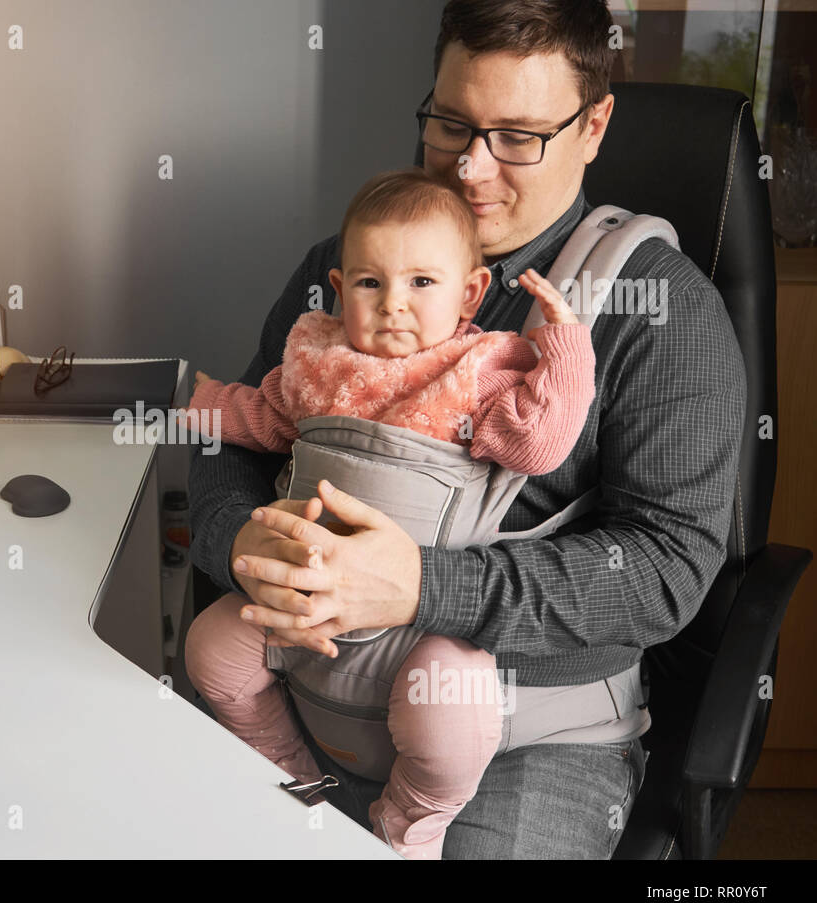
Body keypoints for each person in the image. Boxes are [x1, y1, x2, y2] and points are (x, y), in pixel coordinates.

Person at [186, 0, 746, 859]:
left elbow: (665, 571)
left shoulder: (661, 313)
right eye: (450, 124)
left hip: (524, 736)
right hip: (299, 688)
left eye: (518, 136)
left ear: (594, 125)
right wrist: (242, 546)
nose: (470, 170)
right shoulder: (351, 268)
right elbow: (240, 436)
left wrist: (422, 588)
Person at [184, 168, 597, 859]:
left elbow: (540, 443)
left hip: (423, 623)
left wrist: (565, 348)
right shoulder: (316, 363)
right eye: (370, 284)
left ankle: (410, 823)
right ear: (341, 289)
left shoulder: (477, 372)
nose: (393, 305)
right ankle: (294, 777)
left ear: (469, 294)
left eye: (422, 284)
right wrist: (198, 403)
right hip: (303, 610)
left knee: (455, 712)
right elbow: (261, 416)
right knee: (211, 652)